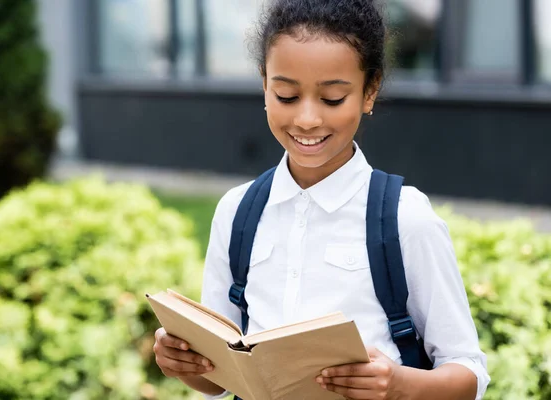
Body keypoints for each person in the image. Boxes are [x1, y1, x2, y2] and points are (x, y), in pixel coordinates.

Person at [153, 0, 490, 399]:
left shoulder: (404, 217)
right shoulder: (237, 212)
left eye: (332, 99)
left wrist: (398, 384)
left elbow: (468, 374)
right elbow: (221, 377)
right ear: (264, 84)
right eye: (286, 95)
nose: (307, 119)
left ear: (370, 91)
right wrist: (187, 364)